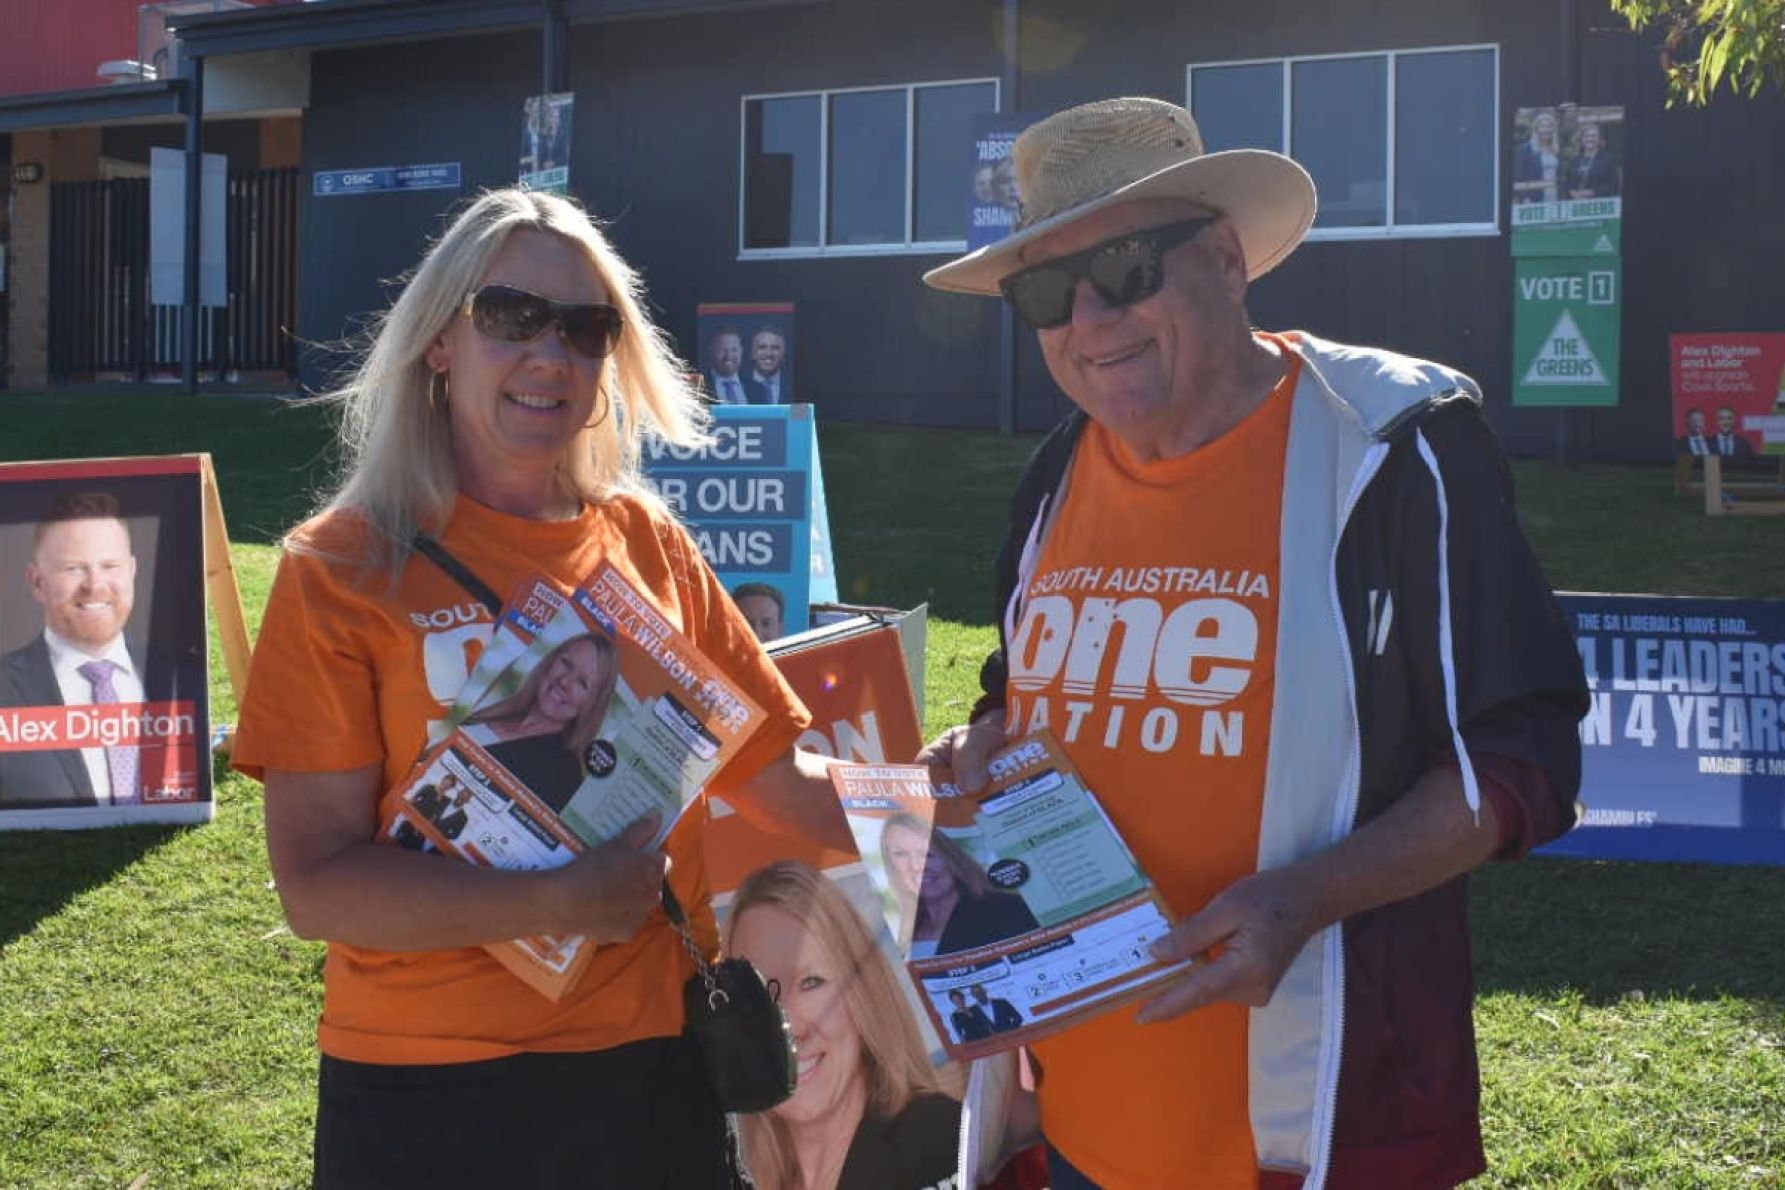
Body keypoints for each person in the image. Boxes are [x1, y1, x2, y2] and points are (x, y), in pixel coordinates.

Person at [919, 98, 1587, 1189]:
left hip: (1313, 1131)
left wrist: (1301, 897)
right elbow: (1021, 687)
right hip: (1078, 1128)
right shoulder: (1056, 473)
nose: (1090, 319)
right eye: (1045, 291)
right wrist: (986, 736)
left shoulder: (1393, 448)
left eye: (1128, 266)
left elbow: (1521, 754)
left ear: (1226, 258)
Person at [230, 187, 844, 1188]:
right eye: (511, 316)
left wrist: (946, 780)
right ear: (440, 342)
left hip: (650, 1075)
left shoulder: (650, 548)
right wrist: (555, 896)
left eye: (586, 327)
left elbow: (788, 784)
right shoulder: (341, 568)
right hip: (424, 1093)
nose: (550, 354)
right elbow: (316, 885)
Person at [725, 860, 961, 1190]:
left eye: (811, 983)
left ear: (863, 996)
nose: (789, 1025)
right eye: (759, 995)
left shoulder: (935, 1138)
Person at [0, 490, 202, 809]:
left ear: (132, 571)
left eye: (110, 566)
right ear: (37, 582)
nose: (95, 585)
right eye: (73, 568)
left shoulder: (186, 677)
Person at [462, 631, 618, 812]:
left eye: (582, 683)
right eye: (566, 663)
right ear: (550, 661)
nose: (564, 681)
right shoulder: (492, 705)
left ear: (593, 705)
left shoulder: (565, 775)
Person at [880, 812, 1039, 958]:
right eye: (900, 854)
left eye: (927, 853)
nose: (916, 866)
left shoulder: (1011, 910)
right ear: (890, 864)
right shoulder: (894, 932)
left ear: (949, 857)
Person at [1513, 108, 1562, 204]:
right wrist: (1524, 198)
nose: (1546, 130)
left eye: (1549, 126)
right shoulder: (1526, 150)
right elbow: (1518, 177)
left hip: (1554, 196)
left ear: (1553, 130)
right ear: (1536, 129)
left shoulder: (1556, 150)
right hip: (1533, 200)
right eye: (1542, 126)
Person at [1567, 121, 1620, 199]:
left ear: (1599, 139)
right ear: (1582, 139)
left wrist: (1593, 192)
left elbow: (1614, 185)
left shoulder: (1608, 160)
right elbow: (1567, 182)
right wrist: (1571, 192)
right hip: (1576, 205)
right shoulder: (1574, 161)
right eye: (1587, 136)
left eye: (1593, 136)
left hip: (1598, 205)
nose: (1590, 139)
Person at [745, 326, 790, 405]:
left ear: (783, 355)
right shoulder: (739, 386)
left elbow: (802, 415)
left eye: (775, 348)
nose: (769, 353)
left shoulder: (793, 385)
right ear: (753, 353)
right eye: (762, 347)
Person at [706, 327, 750, 405]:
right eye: (722, 350)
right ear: (711, 351)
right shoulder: (700, 388)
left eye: (734, 350)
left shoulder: (758, 389)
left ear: (741, 351)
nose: (728, 356)